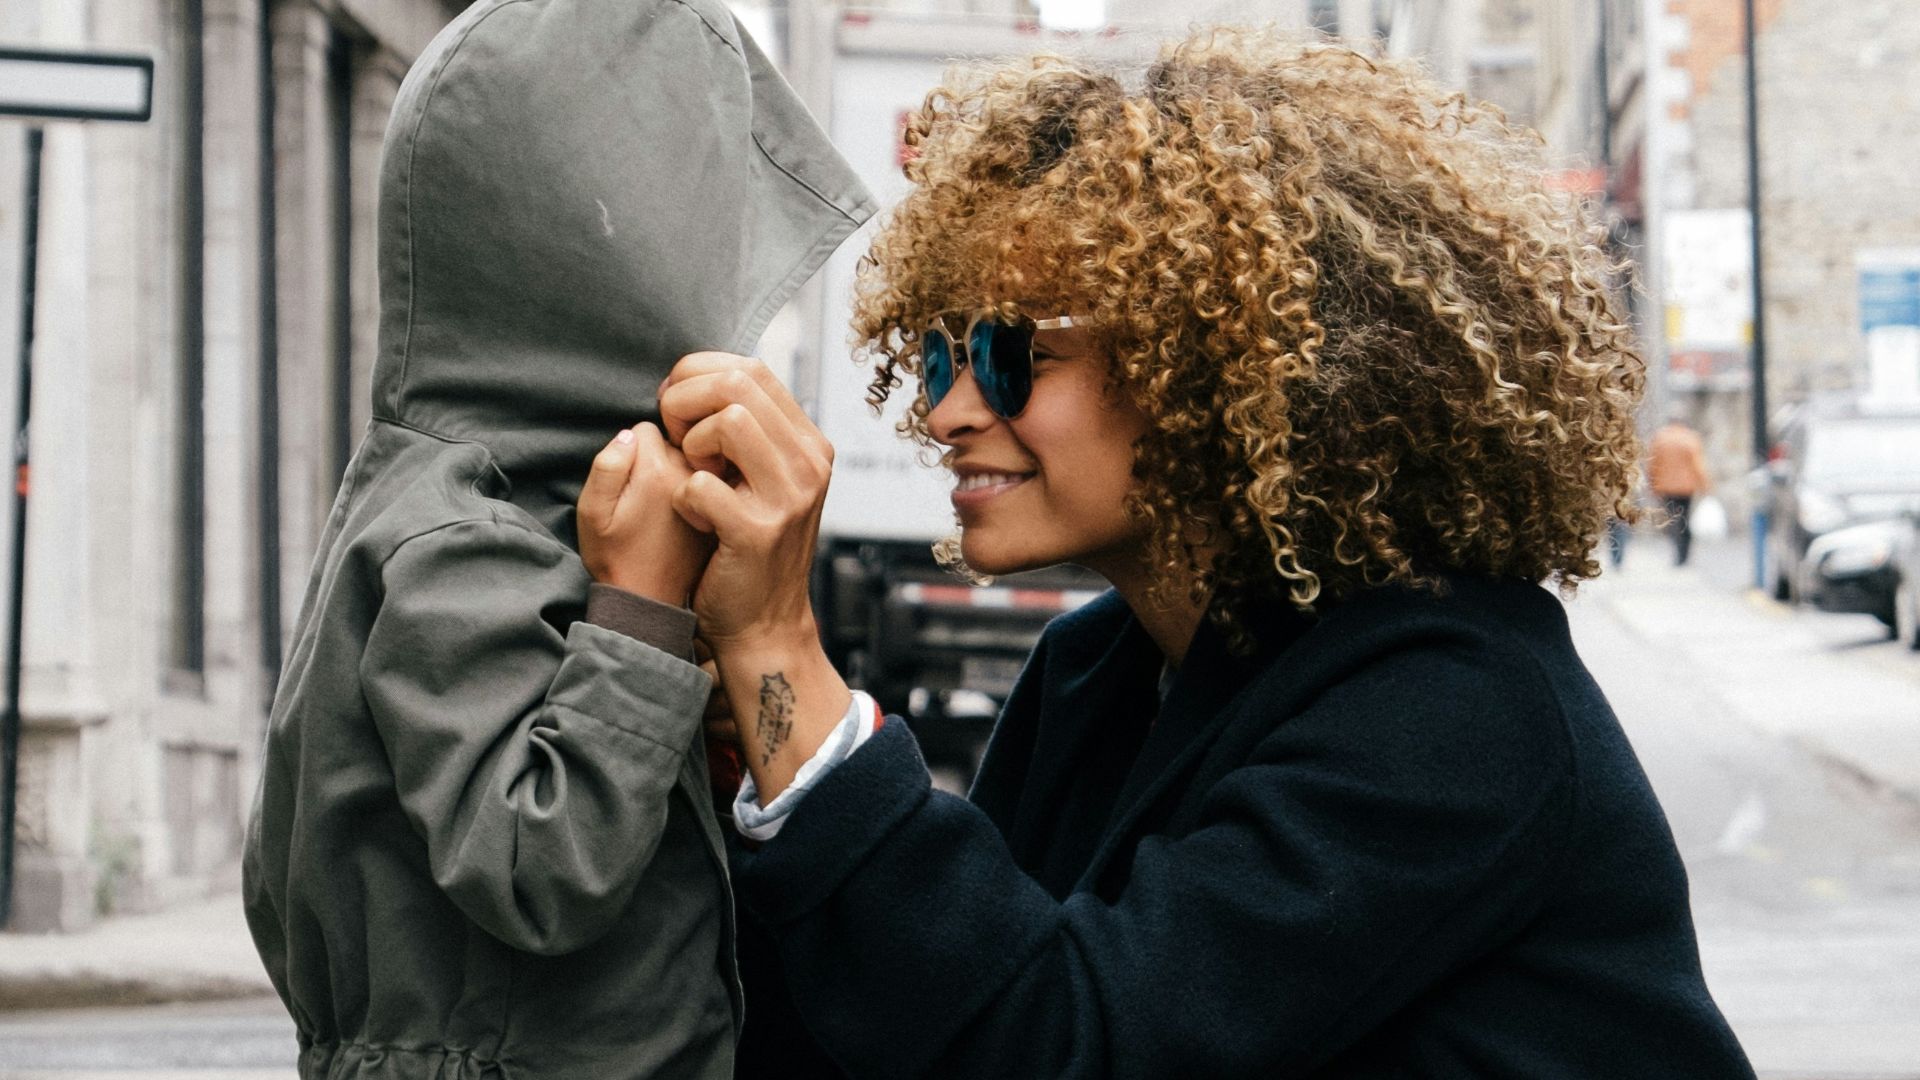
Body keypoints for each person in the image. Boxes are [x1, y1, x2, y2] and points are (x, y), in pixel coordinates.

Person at [621, 31, 1758, 1078]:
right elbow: (916, 1026)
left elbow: (1068, 1048)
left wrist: (782, 652)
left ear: (1215, 370)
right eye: (938, 355)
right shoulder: (1093, 674)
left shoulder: (1457, 710)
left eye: (1015, 357)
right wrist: (752, 762)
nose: (949, 411)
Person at [238, 0, 872, 1076]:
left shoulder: (528, 497)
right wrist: (640, 620)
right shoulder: (461, 532)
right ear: (600, 264)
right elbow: (541, 866)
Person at [1648, 414, 1713, 566]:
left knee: (1673, 519)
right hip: (1686, 487)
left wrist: (1653, 485)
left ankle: (1677, 552)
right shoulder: (1690, 438)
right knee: (1685, 518)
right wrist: (1705, 485)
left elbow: (1653, 464)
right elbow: (1698, 464)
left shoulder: (1660, 438)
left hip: (1666, 486)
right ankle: (1684, 554)